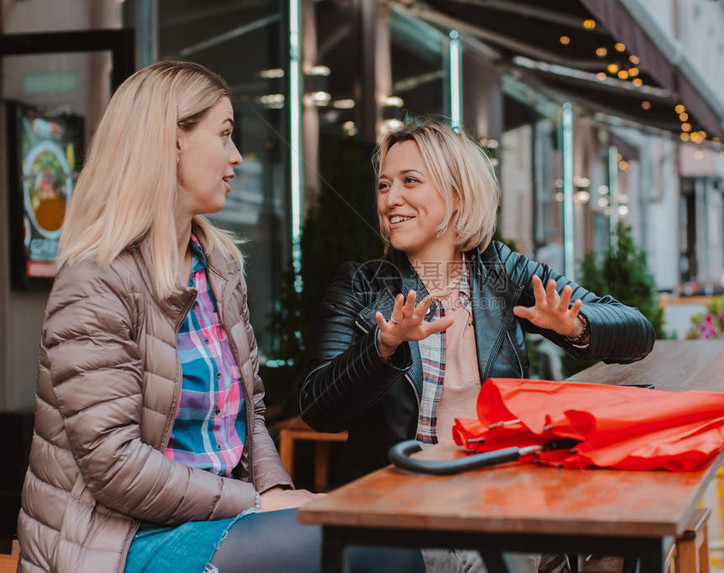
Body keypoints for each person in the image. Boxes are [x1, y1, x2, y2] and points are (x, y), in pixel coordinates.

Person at [16, 60, 424, 573]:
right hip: (120, 539)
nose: (236, 157)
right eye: (225, 135)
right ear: (170, 142)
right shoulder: (96, 281)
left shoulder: (219, 266)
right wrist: (255, 504)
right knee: (373, 548)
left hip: (218, 521)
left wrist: (279, 490)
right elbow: (114, 466)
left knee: (379, 533)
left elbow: (251, 412)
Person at [300, 121, 655, 571]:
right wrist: (382, 348)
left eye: (410, 182)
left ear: (458, 196)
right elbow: (317, 408)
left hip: (497, 493)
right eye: (385, 185)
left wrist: (575, 325)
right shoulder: (362, 286)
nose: (390, 200)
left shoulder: (501, 272)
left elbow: (638, 332)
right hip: (403, 507)